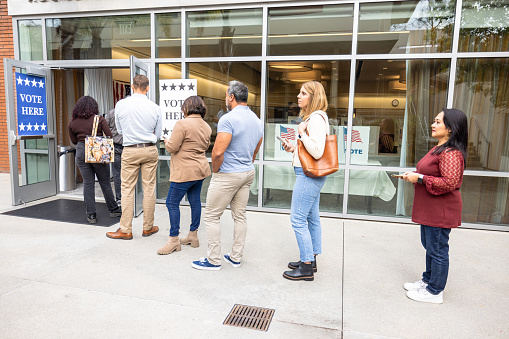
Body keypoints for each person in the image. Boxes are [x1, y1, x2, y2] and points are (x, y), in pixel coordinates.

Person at [191, 81, 263, 270]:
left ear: (231, 97)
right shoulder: (257, 120)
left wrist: (216, 171)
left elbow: (217, 152)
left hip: (228, 174)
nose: (225, 99)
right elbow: (256, 148)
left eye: (226, 96)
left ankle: (213, 260)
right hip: (247, 172)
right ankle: (235, 257)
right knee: (240, 216)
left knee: (212, 216)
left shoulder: (228, 119)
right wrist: (248, 162)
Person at [401, 108, 468, 304]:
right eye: (434, 121)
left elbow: (450, 182)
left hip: (441, 210)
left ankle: (434, 291)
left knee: (437, 250)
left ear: (450, 128)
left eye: (438, 122)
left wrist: (420, 178)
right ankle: (428, 280)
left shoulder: (451, 153)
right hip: (430, 209)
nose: (433, 124)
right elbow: (434, 174)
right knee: (430, 246)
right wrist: (414, 175)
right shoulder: (439, 148)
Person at [280, 81, 330, 281]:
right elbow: (312, 148)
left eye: (303, 93)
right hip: (310, 173)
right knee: (311, 217)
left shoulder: (315, 119)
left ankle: (306, 266)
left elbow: (317, 151)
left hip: (308, 175)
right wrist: (295, 148)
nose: (298, 96)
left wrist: (301, 133)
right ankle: (311, 258)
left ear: (313, 97)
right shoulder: (314, 118)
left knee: (298, 219)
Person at [106, 74, 162, 240]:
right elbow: (157, 134)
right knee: (149, 189)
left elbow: (120, 130)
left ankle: (125, 229)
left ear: (132, 85)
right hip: (149, 149)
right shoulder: (155, 107)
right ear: (148, 87)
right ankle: (148, 227)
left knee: (127, 189)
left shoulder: (121, 105)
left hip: (129, 149)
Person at [157, 96, 212, 255]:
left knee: (171, 203)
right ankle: (193, 236)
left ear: (186, 108)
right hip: (200, 170)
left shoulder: (182, 124)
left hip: (184, 171)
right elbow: (205, 146)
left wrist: (167, 141)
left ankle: (173, 240)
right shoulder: (207, 126)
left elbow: (172, 148)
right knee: (195, 201)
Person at [68, 96, 122, 224]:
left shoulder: (73, 121)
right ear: (94, 107)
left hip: (81, 151)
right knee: (104, 182)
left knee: (88, 183)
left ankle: (91, 215)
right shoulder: (99, 119)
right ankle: (113, 209)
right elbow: (109, 136)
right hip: (97, 151)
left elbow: (74, 141)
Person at [105, 108, 123, 206]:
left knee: (117, 173)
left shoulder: (112, 112)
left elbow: (106, 128)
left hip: (115, 145)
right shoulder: (130, 112)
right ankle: (131, 197)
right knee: (130, 173)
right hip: (128, 146)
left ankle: (119, 198)